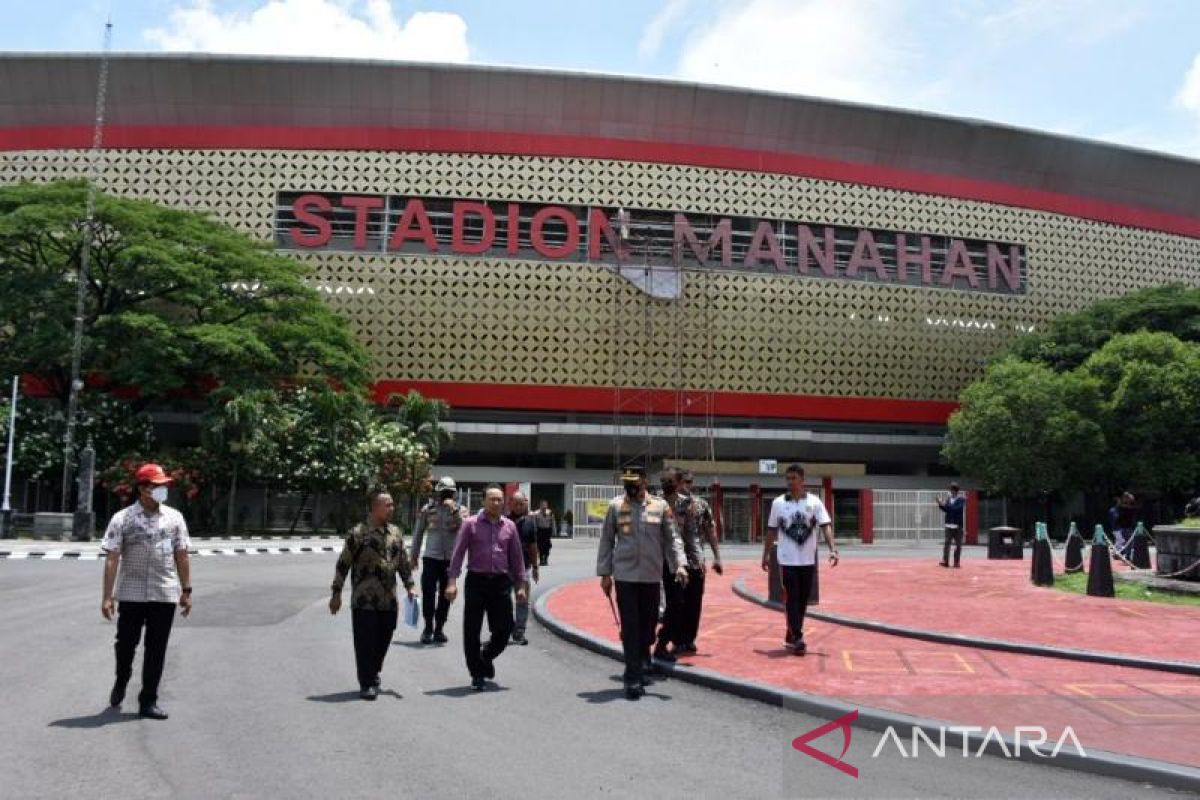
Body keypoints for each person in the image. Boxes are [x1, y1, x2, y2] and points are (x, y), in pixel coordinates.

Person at [100, 463, 192, 720]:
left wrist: (186, 590)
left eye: (163, 486)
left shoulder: (175, 518)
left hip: (164, 592)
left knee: (157, 648)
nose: (162, 490)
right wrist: (107, 596)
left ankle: (148, 700)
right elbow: (112, 559)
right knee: (126, 644)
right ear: (142, 489)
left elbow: (182, 555)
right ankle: (122, 679)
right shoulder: (122, 519)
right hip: (131, 592)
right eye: (156, 486)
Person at [597, 465, 688, 700]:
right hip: (625, 577)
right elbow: (607, 541)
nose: (630, 485)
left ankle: (643, 657)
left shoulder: (660, 506)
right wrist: (605, 574)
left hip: (650, 576)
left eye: (634, 480)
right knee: (630, 628)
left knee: (648, 629)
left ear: (645, 480)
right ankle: (633, 677)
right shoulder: (616, 506)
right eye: (627, 481)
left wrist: (680, 564)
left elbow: (673, 538)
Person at [329, 490, 415, 700]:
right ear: (375, 507)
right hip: (364, 600)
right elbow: (343, 564)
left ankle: (374, 670)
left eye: (393, 505)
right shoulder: (358, 533)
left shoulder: (395, 532)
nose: (392, 509)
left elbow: (402, 562)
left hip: (389, 600)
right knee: (365, 642)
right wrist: (336, 593)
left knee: (384, 638)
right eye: (388, 505)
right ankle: (366, 682)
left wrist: (410, 585)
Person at [445, 485, 529, 690]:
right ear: (483, 501)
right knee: (471, 630)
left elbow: (517, 559)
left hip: (501, 583)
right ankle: (477, 673)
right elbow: (457, 555)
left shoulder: (509, 526)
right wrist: (452, 583)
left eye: (500, 499)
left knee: (505, 628)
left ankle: (486, 654)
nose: (496, 503)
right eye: (492, 499)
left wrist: (521, 586)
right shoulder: (470, 524)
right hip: (476, 581)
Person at [762, 464, 838, 656]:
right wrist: (765, 554)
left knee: (803, 599)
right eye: (788, 478)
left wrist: (833, 549)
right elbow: (771, 530)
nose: (790, 482)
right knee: (792, 597)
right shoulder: (778, 503)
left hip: (807, 559)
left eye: (794, 478)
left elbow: (825, 525)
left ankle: (792, 632)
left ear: (802, 480)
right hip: (787, 560)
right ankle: (798, 636)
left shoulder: (814, 502)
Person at [409, 476, 467, 644]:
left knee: (445, 595)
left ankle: (439, 628)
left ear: (454, 494)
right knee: (428, 593)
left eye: (450, 493)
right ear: (437, 493)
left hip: (450, 559)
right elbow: (418, 532)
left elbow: (467, 529)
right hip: (431, 558)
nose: (446, 496)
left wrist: (454, 511)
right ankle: (427, 627)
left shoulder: (461, 510)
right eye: (444, 492)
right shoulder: (428, 509)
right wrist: (413, 556)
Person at [653, 467, 699, 662]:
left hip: (675, 561)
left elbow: (691, 535)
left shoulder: (688, 505)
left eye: (670, 481)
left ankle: (663, 641)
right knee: (650, 604)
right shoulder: (652, 502)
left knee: (677, 602)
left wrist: (696, 560)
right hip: (652, 559)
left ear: (678, 482)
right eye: (663, 481)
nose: (666, 484)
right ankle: (644, 644)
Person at [676, 469, 723, 654]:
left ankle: (689, 639)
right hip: (676, 562)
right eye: (685, 482)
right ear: (677, 482)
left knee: (694, 603)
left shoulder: (701, 505)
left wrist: (717, 557)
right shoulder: (668, 503)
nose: (688, 485)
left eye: (690, 482)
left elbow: (710, 531)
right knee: (677, 602)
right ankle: (677, 638)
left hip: (696, 561)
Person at [507, 491, 540, 645]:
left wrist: (535, 567)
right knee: (503, 601)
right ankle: (508, 627)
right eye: (516, 503)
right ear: (510, 504)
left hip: (524, 568)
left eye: (522, 504)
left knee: (522, 600)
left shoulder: (529, 523)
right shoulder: (504, 521)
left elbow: (533, 546)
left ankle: (519, 631)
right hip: (505, 569)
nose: (519, 507)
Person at [937, 482, 966, 568]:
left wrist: (945, 505)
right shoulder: (949, 499)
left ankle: (956, 562)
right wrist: (940, 504)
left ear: (955, 491)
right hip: (948, 525)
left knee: (958, 545)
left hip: (958, 526)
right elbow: (946, 509)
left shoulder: (961, 499)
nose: (951, 492)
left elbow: (956, 509)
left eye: (952, 490)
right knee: (947, 544)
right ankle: (945, 561)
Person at [1113, 492, 1137, 557]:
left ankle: (1125, 555)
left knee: (1128, 542)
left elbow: (1132, 509)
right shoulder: (1121, 506)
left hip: (1128, 526)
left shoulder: (1130, 506)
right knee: (1124, 542)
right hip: (1122, 526)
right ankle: (1122, 553)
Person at [534, 500, 555, 565]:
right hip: (540, 531)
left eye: (545, 505)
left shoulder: (550, 512)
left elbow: (553, 523)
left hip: (547, 531)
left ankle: (546, 559)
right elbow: (534, 523)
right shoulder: (536, 513)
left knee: (547, 546)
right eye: (543, 506)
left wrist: (554, 531)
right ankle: (541, 559)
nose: (544, 507)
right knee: (540, 546)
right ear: (540, 506)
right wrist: (534, 531)